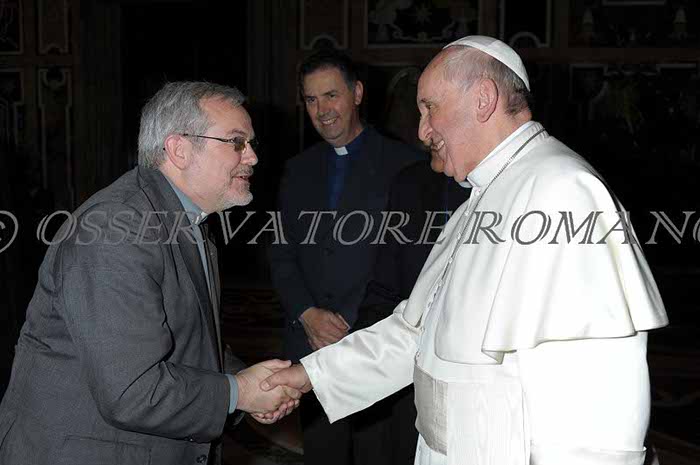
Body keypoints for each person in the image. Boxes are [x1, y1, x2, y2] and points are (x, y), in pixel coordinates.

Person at [261, 36, 669, 465]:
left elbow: (597, 405)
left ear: (483, 99)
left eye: (429, 108)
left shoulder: (562, 190)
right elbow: (414, 334)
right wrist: (310, 374)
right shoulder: (478, 199)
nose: (421, 131)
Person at [0, 81, 300, 465]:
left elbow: (188, 338)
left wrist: (251, 385)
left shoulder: (185, 220)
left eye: (251, 143)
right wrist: (237, 392)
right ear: (179, 149)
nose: (253, 157)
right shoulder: (115, 230)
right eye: (236, 142)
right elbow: (132, 391)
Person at [268, 49, 421, 465]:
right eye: (311, 99)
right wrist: (307, 313)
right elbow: (281, 252)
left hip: (377, 347)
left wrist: (352, 325)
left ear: (356, 93)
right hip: (311, 346)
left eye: (331, 95)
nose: (322, 111)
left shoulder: (407, 166)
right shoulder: (297, 169)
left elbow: (411, 265)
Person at [356, 153, 471, 465]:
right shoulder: (409, 182)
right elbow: (385, 283)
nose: (423, 131)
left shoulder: (523, 187)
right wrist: (352, 358)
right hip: (407, 372)